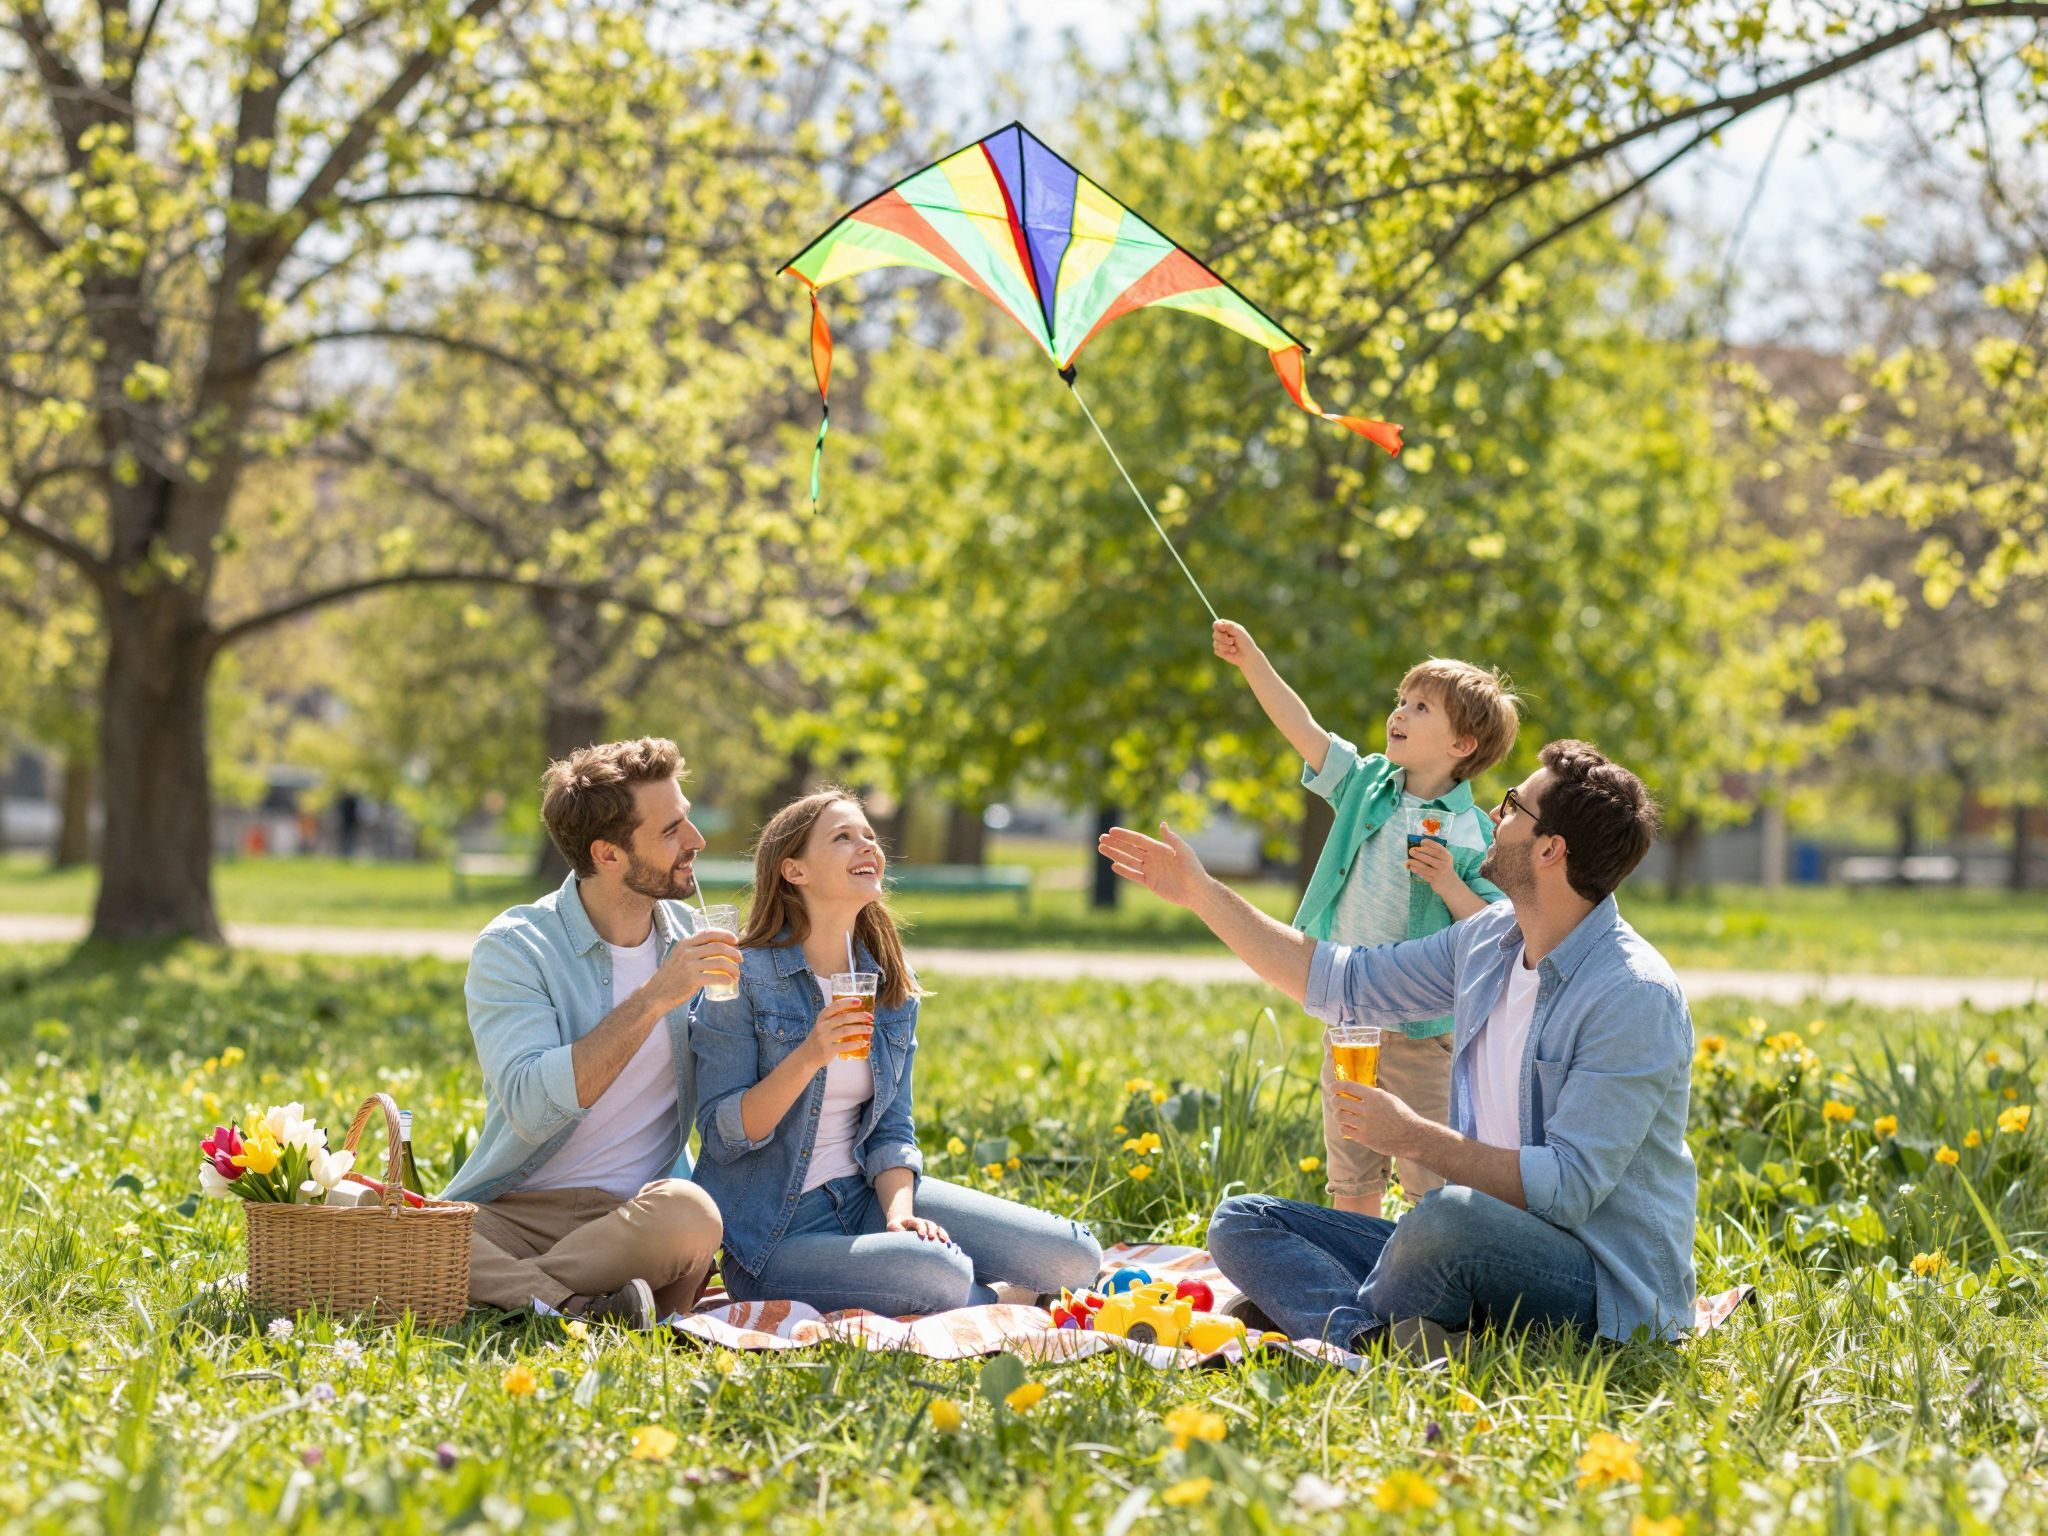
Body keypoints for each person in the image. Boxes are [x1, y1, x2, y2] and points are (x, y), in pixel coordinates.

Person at [1098, 740, 1695, 1351]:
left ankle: (1332, 1321)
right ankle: (1369, 1336)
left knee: (1445, 1217)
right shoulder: (1488, 941)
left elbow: (1566, 1189)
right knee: (1243, 1221)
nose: (1494, 812)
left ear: (1550, 849)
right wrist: (1202, 894)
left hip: (1598, 1285)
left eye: (1514, 804)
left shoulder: (1631, 994)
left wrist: (1412, 1137)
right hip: (1472, 1243)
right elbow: (1343, 981)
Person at [691, 789, 1101, 1315]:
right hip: (774, 1237)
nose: (868, 846)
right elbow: (723, 1135)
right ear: (794, 870)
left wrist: (898, 1214)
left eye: (869, 835)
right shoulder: (742, 977)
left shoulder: (887, 982)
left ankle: (971, 1291)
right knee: (938, 1271)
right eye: (843, 837)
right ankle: (998, 1299)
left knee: (1074, 1257)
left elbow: (891, 1128)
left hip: (865, 1196)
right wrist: (810, 1055)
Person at [1213, 621, 1520, 1219]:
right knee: (1352, 1174)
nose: (1398, 713)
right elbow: (1302, 729)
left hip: (1423, 1031)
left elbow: (1498, 926)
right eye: (1401, 700)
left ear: (1462, 745)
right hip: (1350, 1019)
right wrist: (1252, 661)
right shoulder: (1365, 785)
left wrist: (1449, 884)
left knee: (1433, 1180)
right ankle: (1357, 1264)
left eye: (1421, 707)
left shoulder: (1473, 830)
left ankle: (1430, 1268)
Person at [441, 737, 740, 1329]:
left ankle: (509, 1292)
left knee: (693, 1215)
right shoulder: (516, 947)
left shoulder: (696, 941)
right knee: (359, 1205)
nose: (696, 840)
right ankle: (578, 1309)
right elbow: (531, 1109)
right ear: (607, 854)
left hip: (632, 1220)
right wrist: (655, 997)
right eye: (672, 830)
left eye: (687, 819)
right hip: (514, 1213)